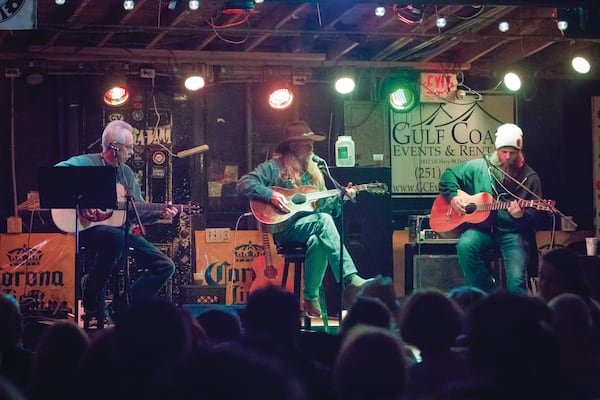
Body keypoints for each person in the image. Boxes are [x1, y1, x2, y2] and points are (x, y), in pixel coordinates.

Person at [236, 120, 370, 318]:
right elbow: (244, 183)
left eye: (312, 142)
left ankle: (309, 297)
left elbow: (327, 210)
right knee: (322, 221)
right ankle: (350, 278)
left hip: (312, 229)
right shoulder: (274, 167)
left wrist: (340, 199)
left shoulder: (316, 171)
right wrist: (269, 194)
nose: (311, 146)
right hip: (285, 230)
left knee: (319, 237)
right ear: (292, 146)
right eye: (305, 142)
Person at [55, 120, 178, 317]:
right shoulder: (87, 163)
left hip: (119, 232)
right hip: (88, 229)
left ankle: (120, 307)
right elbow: (56, 173)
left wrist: (159, 213)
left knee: (165, 266)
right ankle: (91, 294)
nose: (132, 152)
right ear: (114, 148)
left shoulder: (126, 173)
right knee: (115, 237)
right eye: (128, 147)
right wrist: (85, 200)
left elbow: (136, 210)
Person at [438, 123, 542, 294]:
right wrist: (454, 198)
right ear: (496, 150)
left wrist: (520, 217)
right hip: (482, 231)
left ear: (520, 152)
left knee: (516, 279)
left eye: (513, 152)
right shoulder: (480, 168)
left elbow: (535, 218)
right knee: (465, 245)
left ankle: (518, 313)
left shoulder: (530, 179)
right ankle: (487, 292)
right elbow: (448, 174)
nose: (508, 156)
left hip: (512, 234)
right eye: (503, 151)